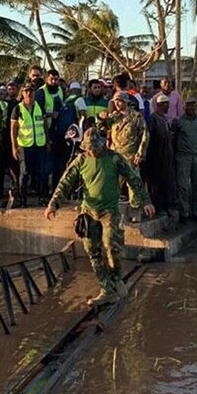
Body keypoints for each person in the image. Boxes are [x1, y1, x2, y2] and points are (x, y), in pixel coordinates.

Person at [44, 128, 155, 306]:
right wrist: (53, 204)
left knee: (111, 245)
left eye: (96, 148)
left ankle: (116, 278)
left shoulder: (114, 158)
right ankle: (106, 289)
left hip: (109, 210)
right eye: (90, 149)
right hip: (89, 212)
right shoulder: (80, 160)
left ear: (102, 144)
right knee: (92, 251)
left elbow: (133, 179)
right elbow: (65, 182)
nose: (93, 151)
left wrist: (146, 201)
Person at [97, 92, 149, 217]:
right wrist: (101, 118)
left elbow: (145, 135)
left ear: (126, 102)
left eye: (119, 101)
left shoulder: (136, 117)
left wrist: (140, 153)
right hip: (116, 154)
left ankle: (135, 212)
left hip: (131, 155)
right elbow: (103, 129)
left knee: (134, 184)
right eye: (115, 101)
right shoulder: (114, 116)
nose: (117, 103)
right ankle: (110, 211)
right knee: (113, 182)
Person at [10, 84, 50, 207]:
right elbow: (13, 129)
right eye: (26, 91)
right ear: (22, 93)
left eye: (31, 91)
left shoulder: (39, 107)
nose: (29, 94)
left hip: (40, 144)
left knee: (42, 172)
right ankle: (23, 199)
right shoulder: (18, 109)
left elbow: (44, 125)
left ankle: (42, 197)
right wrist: (14, 147)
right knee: (25, 173)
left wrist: (48, 141)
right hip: (25, 146)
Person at [173, 98, 197, 223]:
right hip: (183, 156)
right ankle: (184, 213)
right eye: (189, 106)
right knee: (183, 186)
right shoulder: (179, 122)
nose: (191, 109)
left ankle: (196, 212)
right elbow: (174, 139)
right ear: (184, 108)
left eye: (193, 106)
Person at [144, 95, 175, 215]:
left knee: (165, 182)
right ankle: (158, 207)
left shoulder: (164, 119)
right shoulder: (153, 119)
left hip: (166, 157)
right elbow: (150, 139)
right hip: (156, 157)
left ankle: (165, 206)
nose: (168, 107)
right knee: (156, 184)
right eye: (167, 104)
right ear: (162, 105)